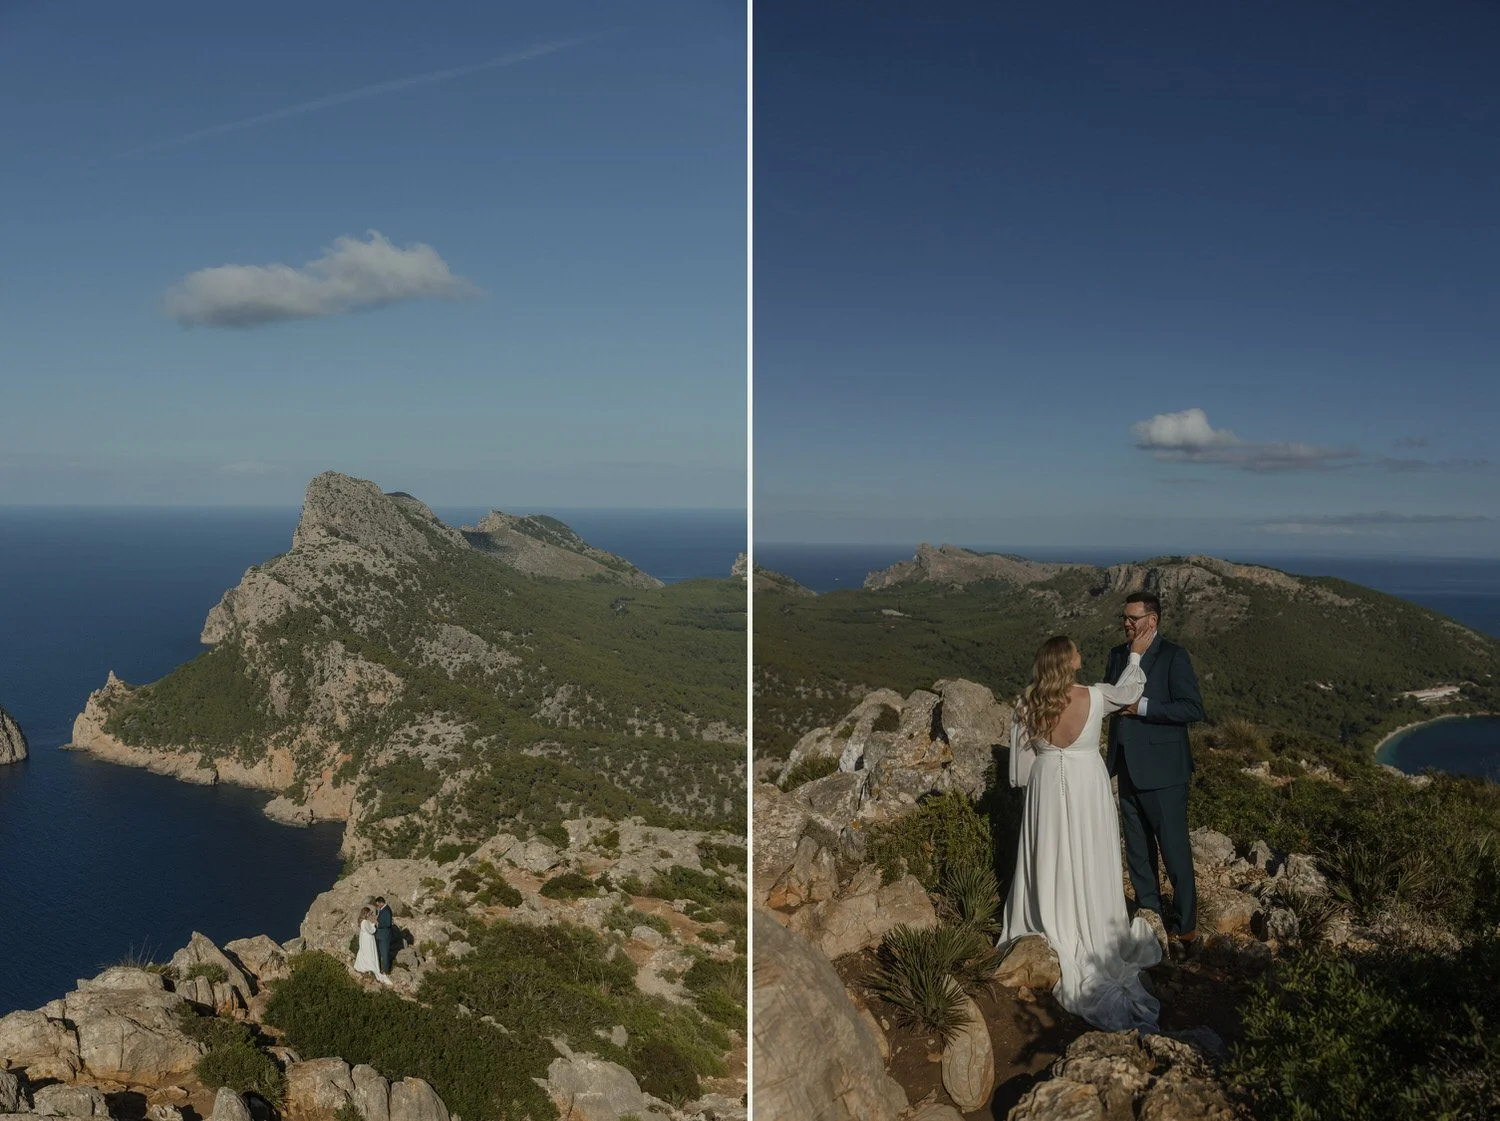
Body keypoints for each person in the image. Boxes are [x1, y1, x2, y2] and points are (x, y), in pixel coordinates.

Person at [998, 633, 1162, 1032]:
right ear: (1067, 662)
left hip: (1045, 788)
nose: (1081, 655)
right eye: (1076, 652)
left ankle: (1049, 918)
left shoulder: (1026, 703)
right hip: (1088, 786)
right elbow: (1131, 690)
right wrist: (1136, 657)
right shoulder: (1096, 695)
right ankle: (1092, 920)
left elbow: (1019, 773)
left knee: (1049, 855)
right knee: (1090, 855)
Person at [1104, 591, 1206, 960]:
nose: (1126, 624)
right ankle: (1150, 916)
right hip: (1126, 766)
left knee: (1174, 851)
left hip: (1165, 773)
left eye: (1133, 618)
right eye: (1125, 618)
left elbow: (1192, 708)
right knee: (1137, 851)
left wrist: (1142, 706)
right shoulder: (1117, 655)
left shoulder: (1175, 656)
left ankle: (1186, 928)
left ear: (1153, 620)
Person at [354, 906, 391, 985]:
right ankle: (370, 966)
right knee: (370, 953)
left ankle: (363, 965)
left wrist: (373, 923)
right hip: (368, 940)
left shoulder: (363, 921)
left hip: (364, 939)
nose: (370, 915)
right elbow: (371, 930)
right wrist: (374, 925)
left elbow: (368, 927)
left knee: (364, 952)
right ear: (366, 913)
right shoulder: (365, 922)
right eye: (369, 913)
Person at [374, 896, 394, 976]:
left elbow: (388, 923)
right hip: (382, 935)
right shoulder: (384, 909)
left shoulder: (386, 910)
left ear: (380, 902)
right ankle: (383, 969)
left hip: (384, 936)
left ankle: (386, 971)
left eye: (377, 904)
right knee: (382, 953)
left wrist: (378, 924)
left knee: (384, 953)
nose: (377, 906)